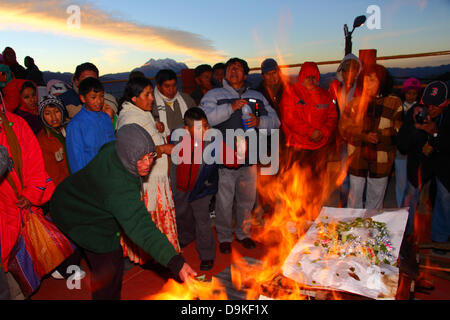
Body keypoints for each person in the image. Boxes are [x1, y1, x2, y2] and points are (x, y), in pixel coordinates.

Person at [49, 124, 197, 300]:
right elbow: (142, 228)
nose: (147, 164)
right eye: (140, 159)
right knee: (110, 267)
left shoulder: (116, 148)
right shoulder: (118, 189)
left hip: (77, 197)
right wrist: (176, 263)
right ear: (127, 156)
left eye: (150, 156)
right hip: (76, 214)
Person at [200, 57, 280, 254]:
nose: (233, 71)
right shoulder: (214, 95)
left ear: (245, 74)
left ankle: (243, 234)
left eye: (238, 68)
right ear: (225, 74)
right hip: (224, 159)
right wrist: (230, 108)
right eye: (230, 68)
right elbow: (204, 119)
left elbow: (275, 121)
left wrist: (259, 122)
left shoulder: (257, 96)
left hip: (250, 157)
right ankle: (225, 237)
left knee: (247, 200)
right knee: (224, 201)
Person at [116, 77, 180, 264]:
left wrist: (157, 129)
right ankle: (160, 258)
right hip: (149, 181)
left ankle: (160, 258)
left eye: (151, 93)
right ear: (134, 98)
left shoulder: (142, 113)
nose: (152, 98)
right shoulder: (130, 119)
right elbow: (135, 152)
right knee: (153, 222)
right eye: (147, 94)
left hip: (157, 176)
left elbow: (149, 137)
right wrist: (163, 149)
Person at [0, 109, 56, 299]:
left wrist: (30, 194)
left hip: (16, 209)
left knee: (18, 275)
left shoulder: (16, 124)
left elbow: (34, 163)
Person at [339, 64, 402, 210]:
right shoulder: (354, 103)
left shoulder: (393, 103)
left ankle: (371, 230)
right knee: (354, 200)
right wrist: (363, 136)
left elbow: (398, 132)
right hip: (357, 158)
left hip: (380, 160)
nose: (367, 84)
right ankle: (352, 230)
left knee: (375, 202)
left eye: (372, 80)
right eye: (365, 80)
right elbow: (344, 128)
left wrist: (379, 137)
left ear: (382, 82)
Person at [397, 81, 449, 249]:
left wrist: (434, 132)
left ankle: (440, 239)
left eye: (436, 106)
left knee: (444, 197)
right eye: (428, 104)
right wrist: (414, 126)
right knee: (410, 196)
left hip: (444, 163)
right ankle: (404, 235)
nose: (431, 109)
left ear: (447, 103)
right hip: (419, 162)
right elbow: (402, 145)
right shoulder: (416, 112)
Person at [169, 107, 218, 271]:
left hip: (201, 190)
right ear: (186, 129)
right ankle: (187, 239)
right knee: (182, 216)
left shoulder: (212, 141)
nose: (204, 130)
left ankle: (207, 255)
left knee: (202, 221)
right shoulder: (177, 140)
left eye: (206, 125)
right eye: (199, 128)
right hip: (182, 188)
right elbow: (174, 166)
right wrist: (174, 187)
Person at [280, 61, 338, 161]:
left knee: (319, 177)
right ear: (302, 77)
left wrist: (323, 132)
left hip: (321, 146)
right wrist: (310, 132)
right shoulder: (291, 92)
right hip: (298, 147)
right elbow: (290, 118)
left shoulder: (325, 95)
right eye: (307, 77)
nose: (311, 80)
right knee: (298, 176)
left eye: (314, 77)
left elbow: (333, 116)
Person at [329, 54, 363, 207]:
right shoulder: (336, 88)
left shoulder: (362, 90)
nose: (347, 73)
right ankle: (344, 206)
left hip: (358, 139)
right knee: (344, 175)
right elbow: (331, 111)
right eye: (345, 70)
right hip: (342, 138)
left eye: (351, 70)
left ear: (357, 72)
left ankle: (357, 207)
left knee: (359, 176)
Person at [65, 77, 115, 173]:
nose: (99, 101)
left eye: (101, 96)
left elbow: (112, 147)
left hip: (110, 172)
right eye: (93, 97)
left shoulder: (106, 118)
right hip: (90, 178)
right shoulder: (75, 125)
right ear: (83, 98)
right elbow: (76, 161)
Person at [395, 77, 422, 208]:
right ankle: (401, 206)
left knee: (413, 181)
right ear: (404, 93)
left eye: (414, 93)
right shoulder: (398, 108)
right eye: (408, 93)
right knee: (400, 181)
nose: (411, 96)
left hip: (414, 152)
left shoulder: (421, 110)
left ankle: (411, 208)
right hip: (400, 150)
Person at [36, 95, 70, 186]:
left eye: (57, 112)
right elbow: (54, 173)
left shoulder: (72, 128)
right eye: (47, 114)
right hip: (65, 186)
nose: (54, 117)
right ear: (42, 117)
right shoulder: (43, 140)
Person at [152, 69, 196, 138]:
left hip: (188, 140)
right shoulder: (151, 103)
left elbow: (197, 120)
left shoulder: (186, 99)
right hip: (162, 143)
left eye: (174, 85)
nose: (171, 90)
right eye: (167, 86)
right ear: (158, 86)